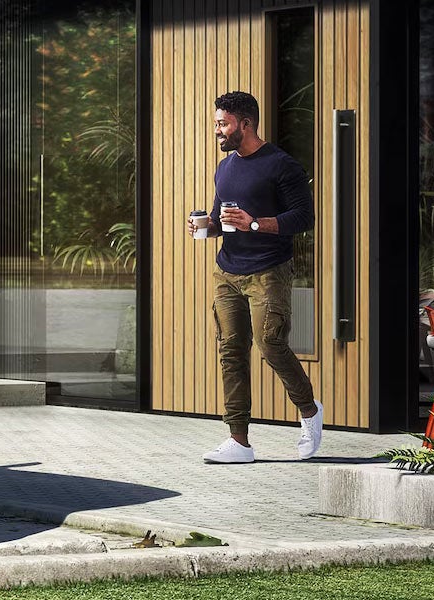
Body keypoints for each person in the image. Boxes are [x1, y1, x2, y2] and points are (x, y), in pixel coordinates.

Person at [187, 91, 323, 464]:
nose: (217, 130)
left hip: (268, 270)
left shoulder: (282, 165)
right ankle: (239, 441)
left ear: (245, 124)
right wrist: (207, 226)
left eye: (223, 124)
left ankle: (310, 411)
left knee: (271, 345)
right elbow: (222, 218)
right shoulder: (225, 166)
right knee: (231, 350)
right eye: (216, 123)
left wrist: (255, 223)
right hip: (227, 271)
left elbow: (304, 218)